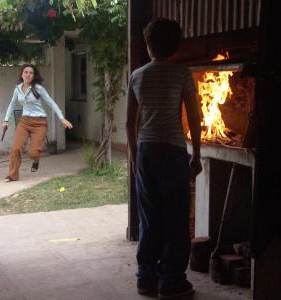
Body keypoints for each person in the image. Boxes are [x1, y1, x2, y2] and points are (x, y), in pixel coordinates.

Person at [126, 18, 202, 299]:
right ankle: (171, 281)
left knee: (149, 216)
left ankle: (145, 278)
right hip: (173, 151)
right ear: (176, 47)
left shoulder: (137, 75)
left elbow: (129, 123)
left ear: (148, 45)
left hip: (146, 150)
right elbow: (194, 117)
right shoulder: (183, 73)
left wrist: (135, 157)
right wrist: (197, 154)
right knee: (176, 218)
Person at [2, 64, 73, 182]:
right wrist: (5, 120)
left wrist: (62, 118)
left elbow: (51, 103)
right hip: (24, 121)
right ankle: (13, 175)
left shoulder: (38, 88)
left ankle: (36, 159)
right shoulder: (17, 89)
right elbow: (12, 104)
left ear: (34, 76)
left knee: (33, 153)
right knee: (15, 148)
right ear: (22, 74)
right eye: (26, 72)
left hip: (40, 123)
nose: (28, 74)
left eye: (31, 73)